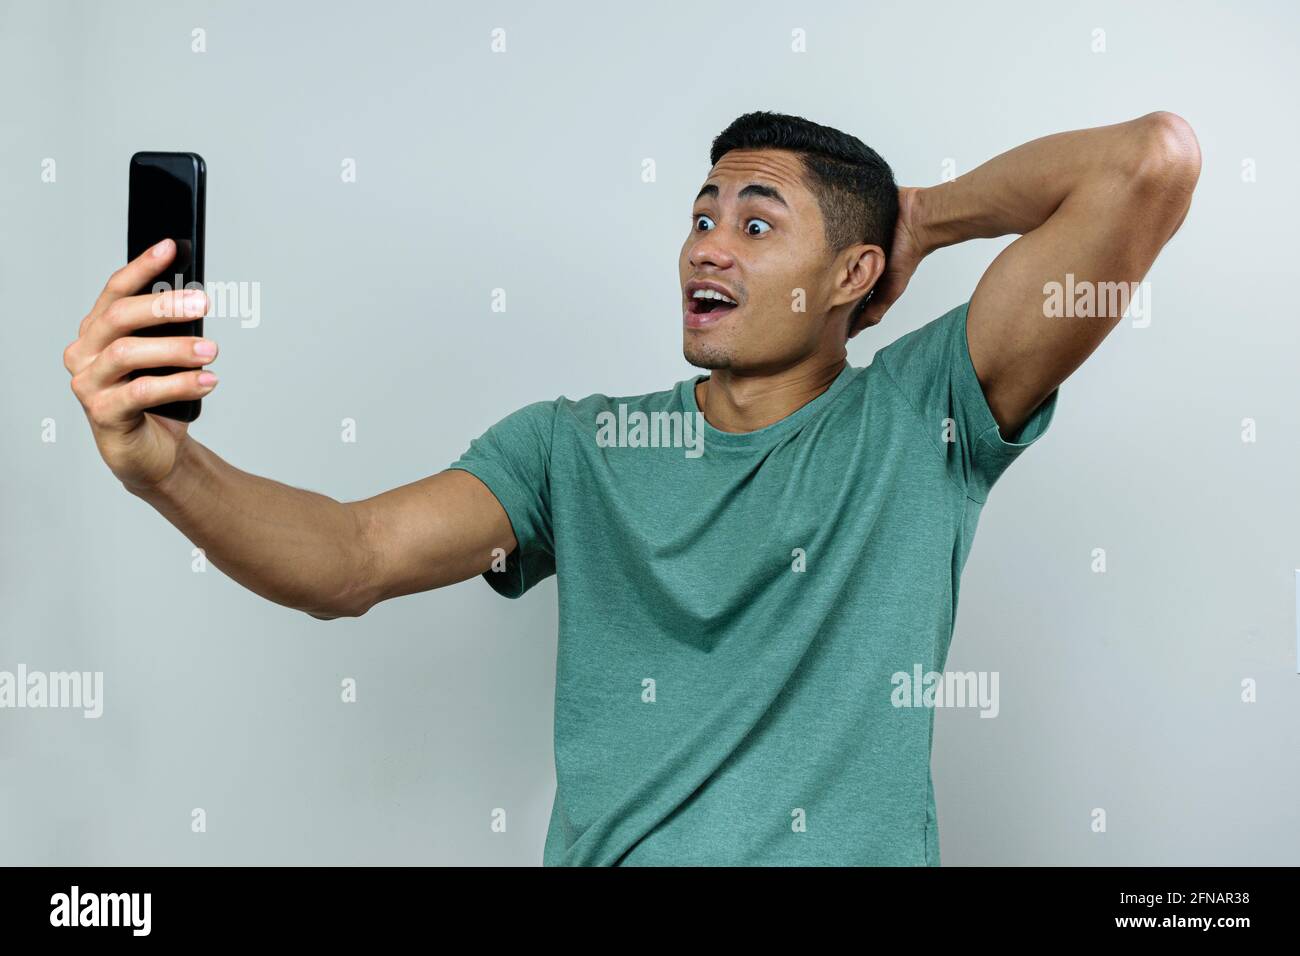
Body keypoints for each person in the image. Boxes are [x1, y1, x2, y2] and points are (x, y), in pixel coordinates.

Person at [63, 110, 1201, 865]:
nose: (708, 244)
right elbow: (348, 558)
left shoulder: (926, 415)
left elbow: (1150, 161)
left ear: (852, 273)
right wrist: (163, 461)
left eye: (757, 221)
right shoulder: (577, 448)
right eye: (702, 214)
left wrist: (923, 216)